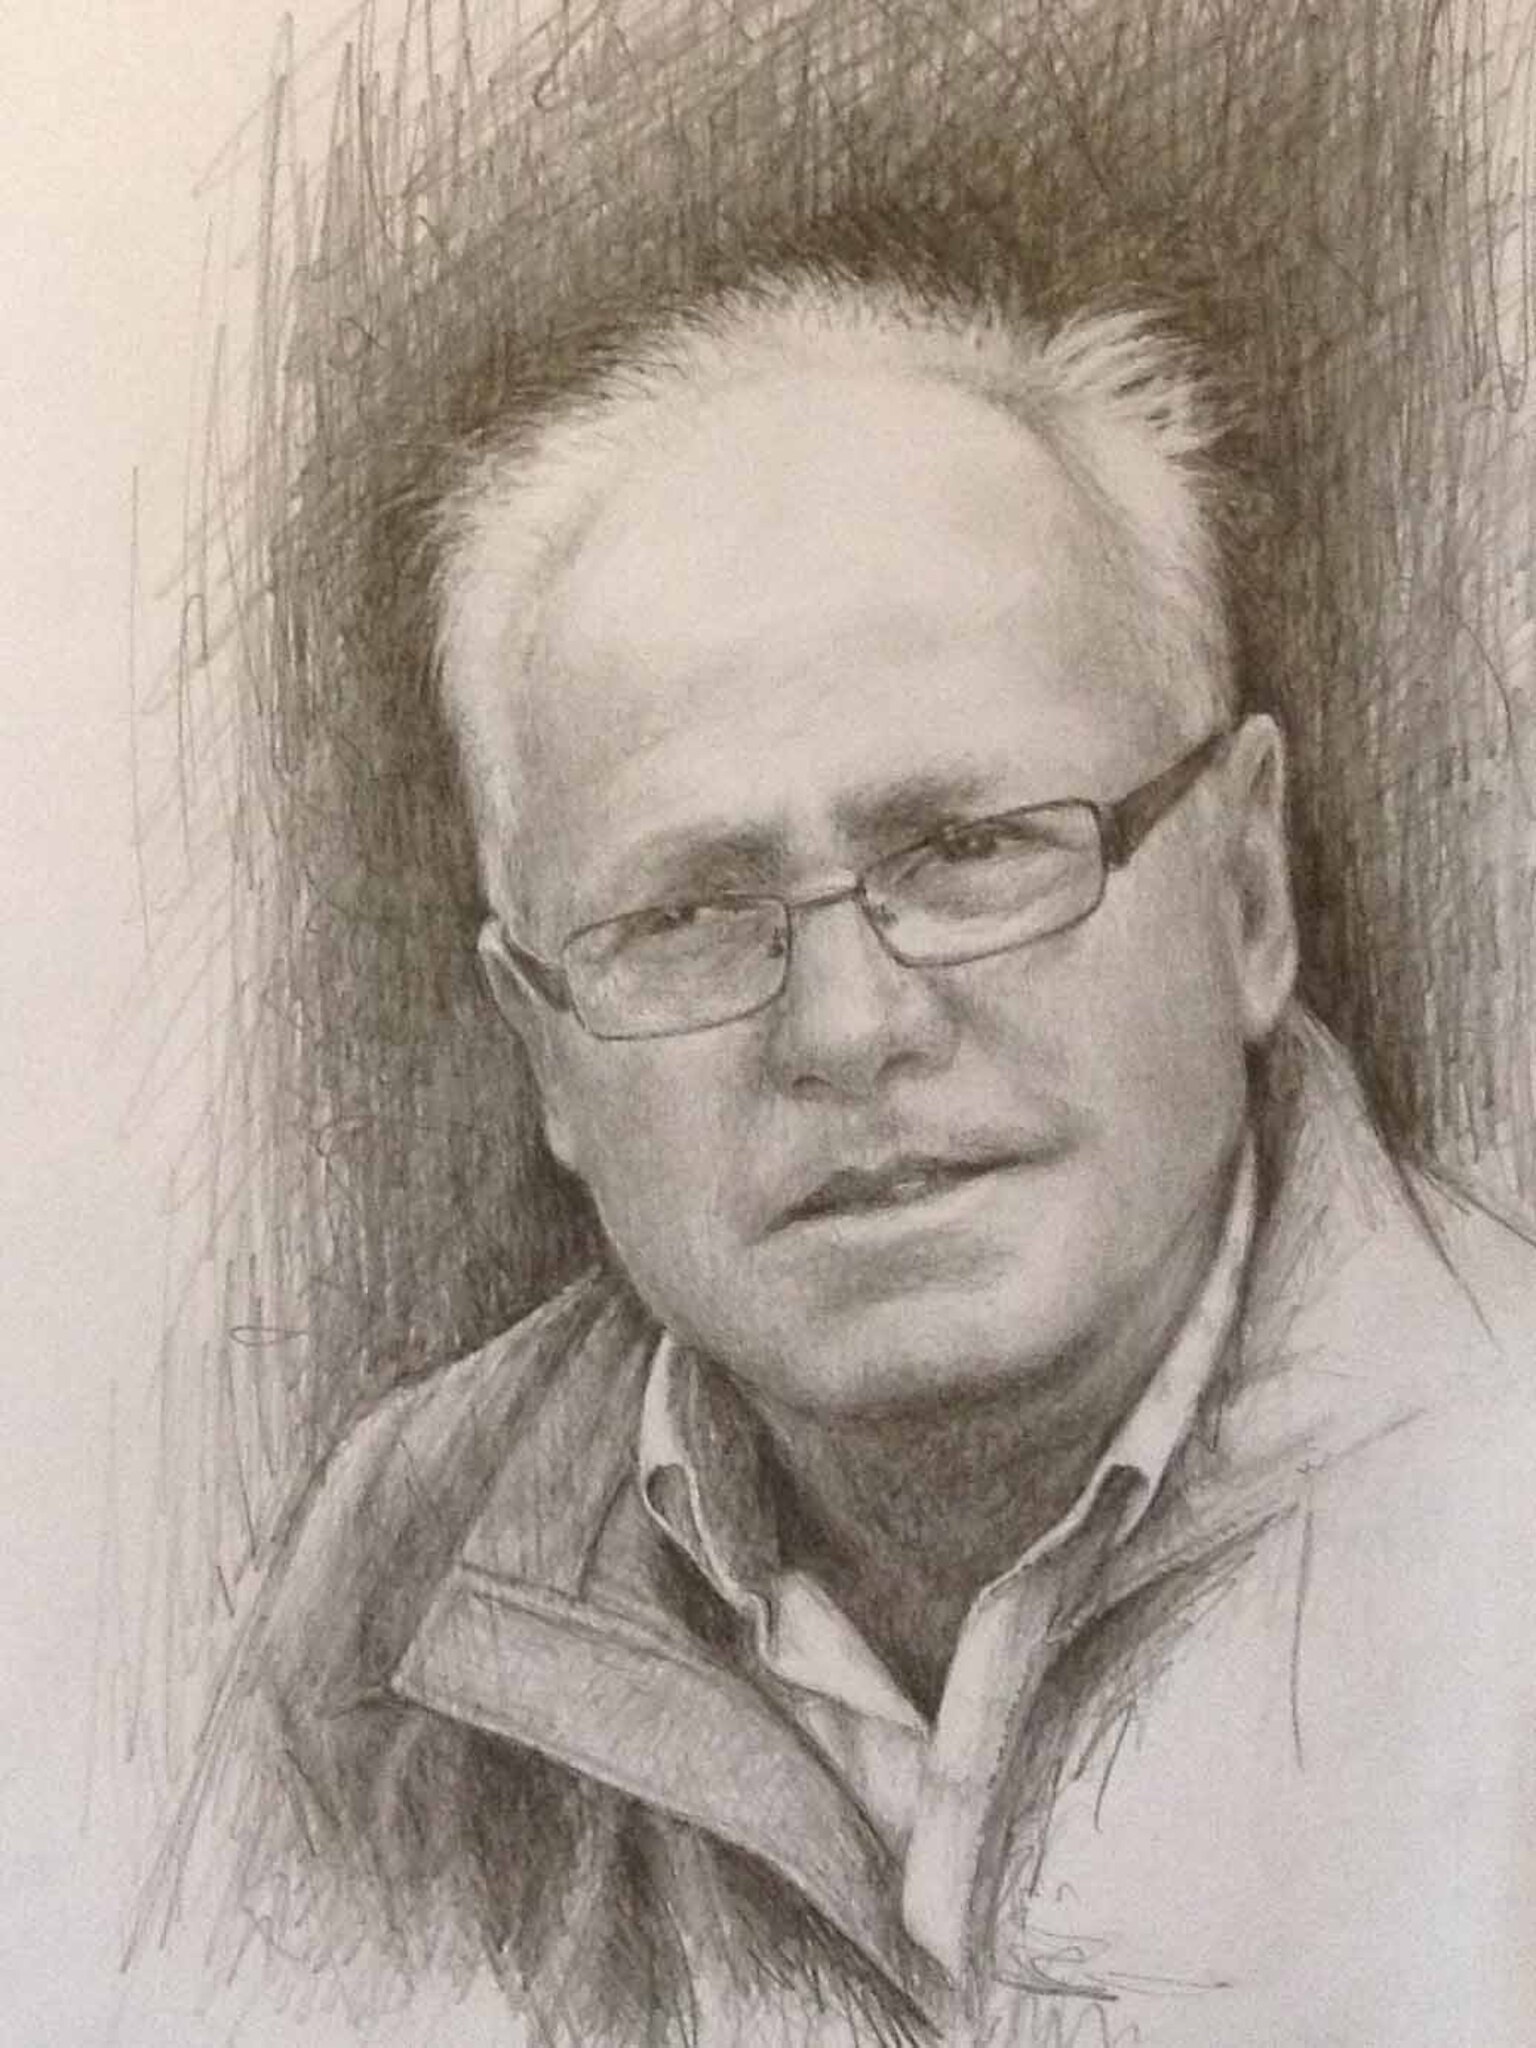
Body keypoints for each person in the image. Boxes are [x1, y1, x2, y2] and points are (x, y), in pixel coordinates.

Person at [171, 270, 1536, 2045]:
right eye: (683, 915)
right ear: (544, 1054)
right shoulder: (396, 1565)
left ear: (1248, 894)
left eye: (972, 849)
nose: (847, 1027)